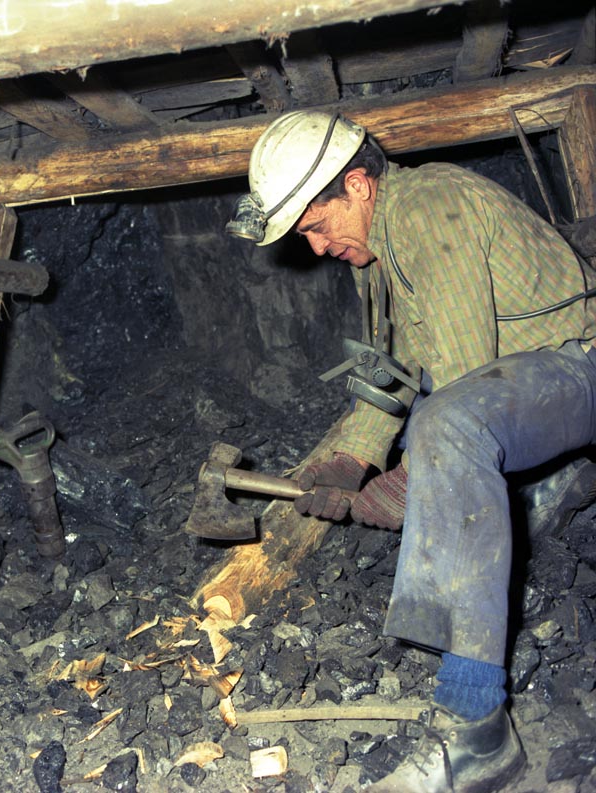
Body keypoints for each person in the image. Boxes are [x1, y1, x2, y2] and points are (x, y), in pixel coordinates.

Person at [225, 109, 596, 793]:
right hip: (540, 377)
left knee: (445, 430)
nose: (314, 248)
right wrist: (353, 459)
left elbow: (458, 384)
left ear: (359, 187)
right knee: (437, 427)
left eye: (315, 225)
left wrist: (407, 481)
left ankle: (475, 727)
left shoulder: (427, 206)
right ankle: (548, 491)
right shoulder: (392, 238)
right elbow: (406, 365)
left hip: (583, 363)